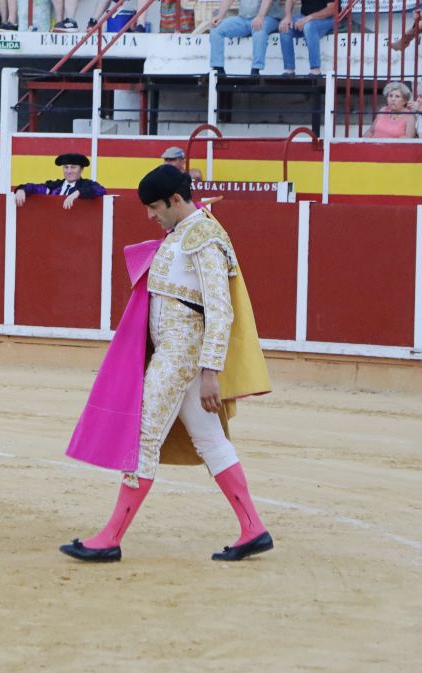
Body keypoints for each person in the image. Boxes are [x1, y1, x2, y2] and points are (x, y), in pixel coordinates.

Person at [60, 164, 273, 564]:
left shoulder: (205, 238)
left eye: (155, 207)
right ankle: (252, 528)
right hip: (175, 352)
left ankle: (110, 537)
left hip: (181, 354)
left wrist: (211, 371)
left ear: (175, 200)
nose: (150, 215)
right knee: (210, 439)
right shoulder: (185, 232)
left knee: (142, 437)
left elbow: (220, 310)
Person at [208, 0, 285, 76]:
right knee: (216, 29)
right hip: (243, 19)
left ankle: (256, 70)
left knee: (259, 31)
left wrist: (260, 16)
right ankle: (218, 69)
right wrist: (220, 16)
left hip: (267, 17)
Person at [13, 153, 107, 209]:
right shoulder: (54, 186)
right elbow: (35, 188)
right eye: (66, 167)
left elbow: (101, 190)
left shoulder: (86, 185)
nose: (69, 171)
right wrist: (22, 189)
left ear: (81, 169)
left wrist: (78, 192)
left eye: (73, 167)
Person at [278, 0, 337, 76]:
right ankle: (289, 70)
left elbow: (332, 9)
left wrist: (309, 18)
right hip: (305, 16)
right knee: (285, 27)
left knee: (309, 26)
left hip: (328, 19)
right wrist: (287, 16)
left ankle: (316, 70)